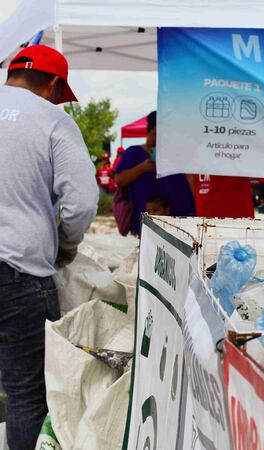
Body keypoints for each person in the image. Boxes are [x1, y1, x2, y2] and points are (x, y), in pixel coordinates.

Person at [0, 45, 98, 449]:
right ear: (54, 84)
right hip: (17, 272)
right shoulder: (52, 120)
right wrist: (66, 245)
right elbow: (82, 202)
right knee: (26, 396)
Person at [114, 111, 195, 236]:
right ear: (148, 133)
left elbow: (192, 180)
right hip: (147, 222)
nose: (159, 139)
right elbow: (119, 180)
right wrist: (141, 168)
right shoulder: (134, 153)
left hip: (180, 221)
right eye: (155, 134)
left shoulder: (180, 154)